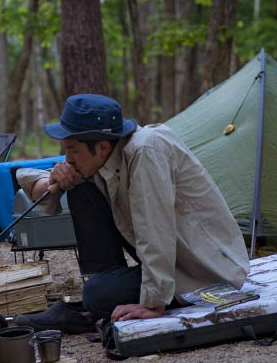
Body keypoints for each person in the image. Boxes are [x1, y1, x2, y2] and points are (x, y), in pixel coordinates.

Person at [13, 94, 249, 333]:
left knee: (96, 295)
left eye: (72, 151)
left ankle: (100, 299)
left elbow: (155, 229)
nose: (67, 159)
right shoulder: (100, 157)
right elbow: (28, 178)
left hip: (205, 272)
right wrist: (54, 180)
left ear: (103, 147)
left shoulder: (146, 151)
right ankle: (102, 287)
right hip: (171, 263)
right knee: (80, 186)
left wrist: (153, 304)